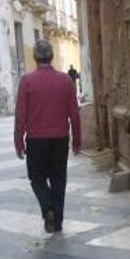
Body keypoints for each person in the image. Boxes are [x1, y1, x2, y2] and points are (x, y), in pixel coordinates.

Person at [14, 41, 81, 233]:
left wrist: (18, 141)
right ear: (51, 56)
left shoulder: (27, 81)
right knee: (59, 179)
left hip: (36, 140)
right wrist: (76, 140)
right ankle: (57, 220)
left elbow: (21, 116)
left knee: (37, 178)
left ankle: (48, 208)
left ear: (35, 57)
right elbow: (74, 114)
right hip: (60, 138)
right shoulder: (65, 81)